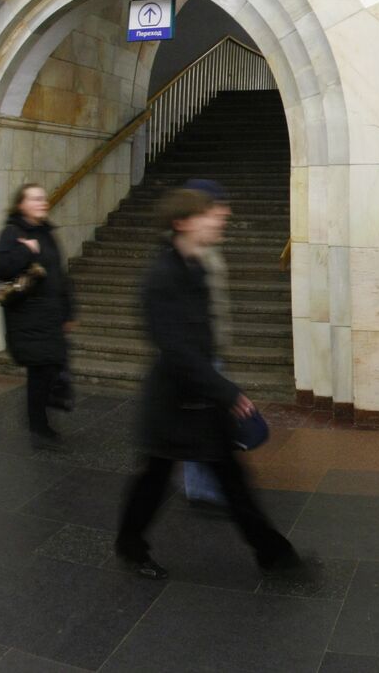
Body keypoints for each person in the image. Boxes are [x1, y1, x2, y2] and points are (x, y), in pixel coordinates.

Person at [115, 187, 299, 580]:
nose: (221, 217)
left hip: (197, 399)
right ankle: (130, 543)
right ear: (182, 222)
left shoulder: (194, 267)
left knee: (230, 478)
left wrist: (218, 389)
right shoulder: (162, 277)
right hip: (172, 402)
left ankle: (274, 553)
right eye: (209, 213)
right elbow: (176, 350)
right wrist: (226, 391)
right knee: (155, 479)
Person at [0, 183, 75, 448]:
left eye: (43, 198)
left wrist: (69, 309)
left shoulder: (46, 232)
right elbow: (0, 266)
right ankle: (39, 426)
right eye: (35, 199)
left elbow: (59, 274)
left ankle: (40, 418)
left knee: (49, 368)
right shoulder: (12, 232)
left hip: (49, 316)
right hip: (28, 318)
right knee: (41, 370)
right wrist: (26, 249)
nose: (43, 202)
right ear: (21, 205)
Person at [180, 179, 234, 509]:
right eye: (217, 207)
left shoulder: (206, 250)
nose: (224, 213)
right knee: (204, 425)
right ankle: (203, 490)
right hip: (197, 358)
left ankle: (201, 486)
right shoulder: (184, 258)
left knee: (202, 424)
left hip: (207, 352)